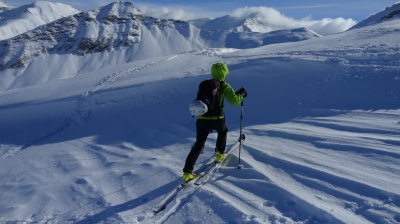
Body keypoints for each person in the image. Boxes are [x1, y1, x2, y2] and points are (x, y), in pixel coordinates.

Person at [183, 62, 247, 182]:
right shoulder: (224, 85)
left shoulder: (205, 84)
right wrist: (241, 95)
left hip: (202, 119)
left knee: (199, 144)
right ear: (224, 72)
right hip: (217, 118)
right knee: (223, 132)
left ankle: (187, 172)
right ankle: (219, 154)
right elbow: (234, 101)